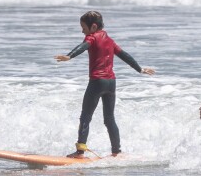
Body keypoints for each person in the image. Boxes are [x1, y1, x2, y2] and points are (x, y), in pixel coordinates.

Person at [55, 11, 155, 158]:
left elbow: (83, 46)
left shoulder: (92, 38)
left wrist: (70, 56)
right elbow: (125, 55)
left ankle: (80, 152)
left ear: (93, 27)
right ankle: (116, 151)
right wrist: (140, 69)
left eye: (83, 27)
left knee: (85, 117)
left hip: (97, 82)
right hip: (111, 83)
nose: (82, 30)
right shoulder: (110, 41)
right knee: (109, 119)